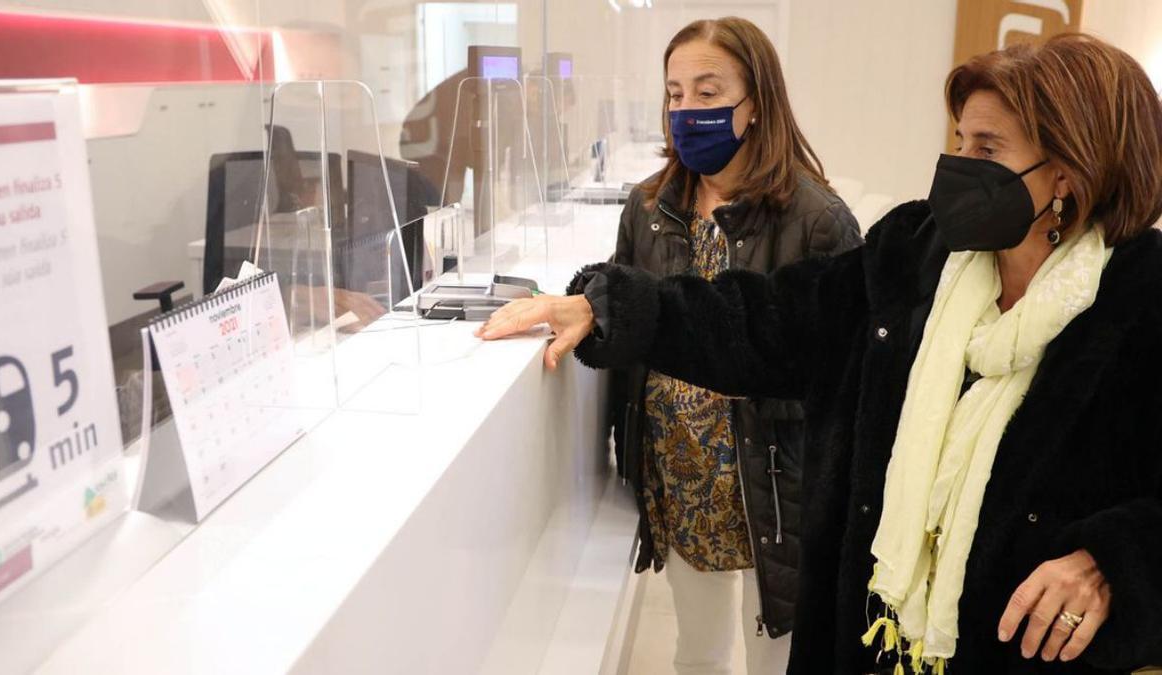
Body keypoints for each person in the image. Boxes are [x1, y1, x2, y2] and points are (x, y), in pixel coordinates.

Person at [477, 33, 1162, 674]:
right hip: (864, 640)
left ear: (1068, 175)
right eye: (958, 140)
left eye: (986, 149)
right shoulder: (913, 254)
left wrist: (1115, 559)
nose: (956, 167)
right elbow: (765, 319)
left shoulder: (1142, 306)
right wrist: (610, 306)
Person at [597, 16, 861, 675]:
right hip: (681, 482)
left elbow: (846, 375)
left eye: (708, 93)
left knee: (775, 659)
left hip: (773, 488)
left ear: (757, 102)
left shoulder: (817, 220)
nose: (687, 111)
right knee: (699, 655)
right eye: (675, 94)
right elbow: (628, 329)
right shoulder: (650, 207)